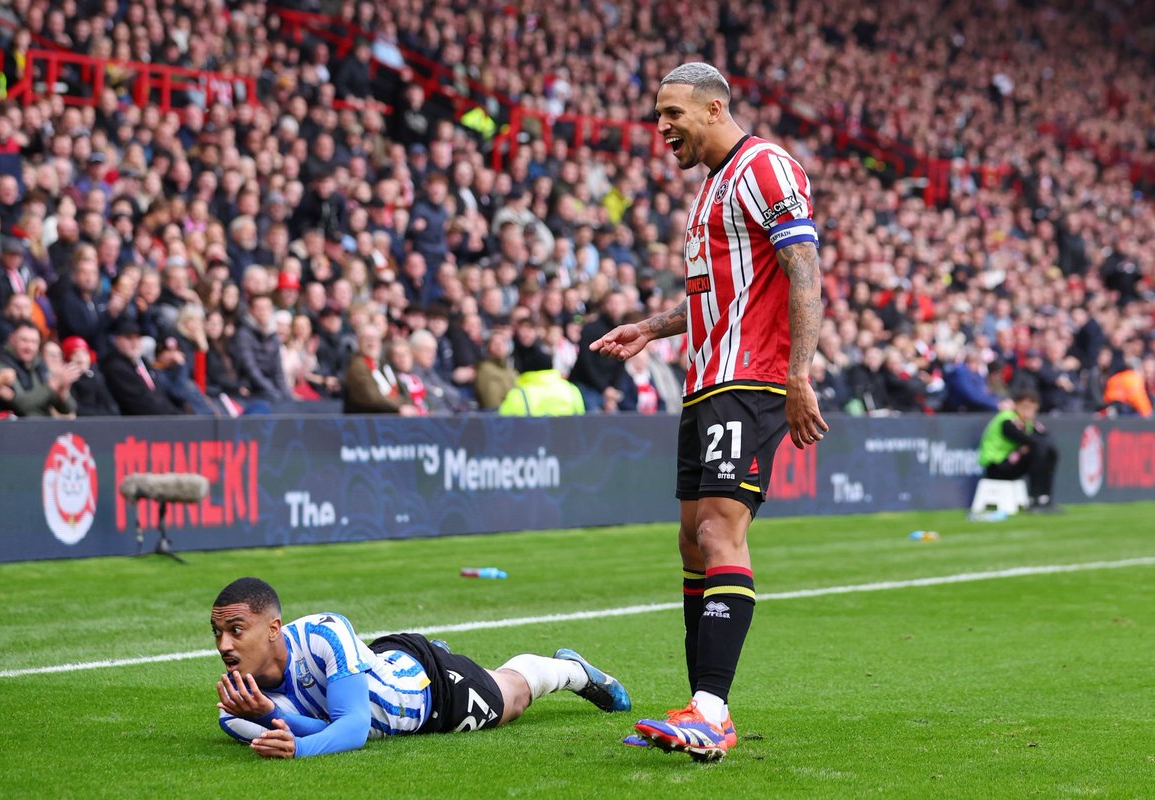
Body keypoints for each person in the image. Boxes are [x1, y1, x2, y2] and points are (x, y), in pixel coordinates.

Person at [589, 63, 827, 761]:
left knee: (722, 532)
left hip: (747, 379)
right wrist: (652, 329)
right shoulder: (712, 187)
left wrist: (799, 373)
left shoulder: (764, 167)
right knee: (693, 542)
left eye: (671, 113)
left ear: (714, 106)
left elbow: (804, 269)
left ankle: (711, 707)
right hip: (705, 379)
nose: (660, 127)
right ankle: (702, 710)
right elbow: (714, 296)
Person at [210, 577, 630, 759]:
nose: (224, 645)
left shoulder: (322, 633)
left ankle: (572, 672)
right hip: (380, 669)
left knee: (512, 697)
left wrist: (295, 745)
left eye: (236, 629)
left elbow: (352, 729)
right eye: (217, 632)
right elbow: (329, 730)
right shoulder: (234, 709)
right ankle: (441, 652)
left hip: (427, 693)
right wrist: (269, 717)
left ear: (273, 628)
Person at [977, 389, 1060, 511]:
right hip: (996, 466)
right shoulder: (1007, 419)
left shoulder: (1028, 422)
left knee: (1050, 451)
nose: (1028, 411)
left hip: (1011, 463)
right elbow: (1022, 437)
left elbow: (1046, 438)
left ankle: (1045, 497)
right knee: (1036, 450)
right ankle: (1035, 498)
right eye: (1024, 407)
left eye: (1031, 408)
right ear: (1016, 405)